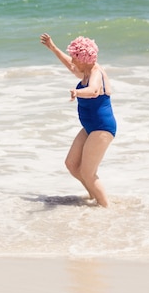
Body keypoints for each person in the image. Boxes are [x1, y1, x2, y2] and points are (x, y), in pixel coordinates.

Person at [40, 33, 116, 207]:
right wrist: (53, 47)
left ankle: (106, 208)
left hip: (101, 128)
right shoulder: (86, 71)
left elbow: (94, 90)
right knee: (72, 164)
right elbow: (70, 66)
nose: (73, 60)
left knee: (88, 172)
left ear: (84, 58)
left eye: (75, 57)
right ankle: (93, 196)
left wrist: (77, 92)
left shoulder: (96, 72)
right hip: (90, 127)